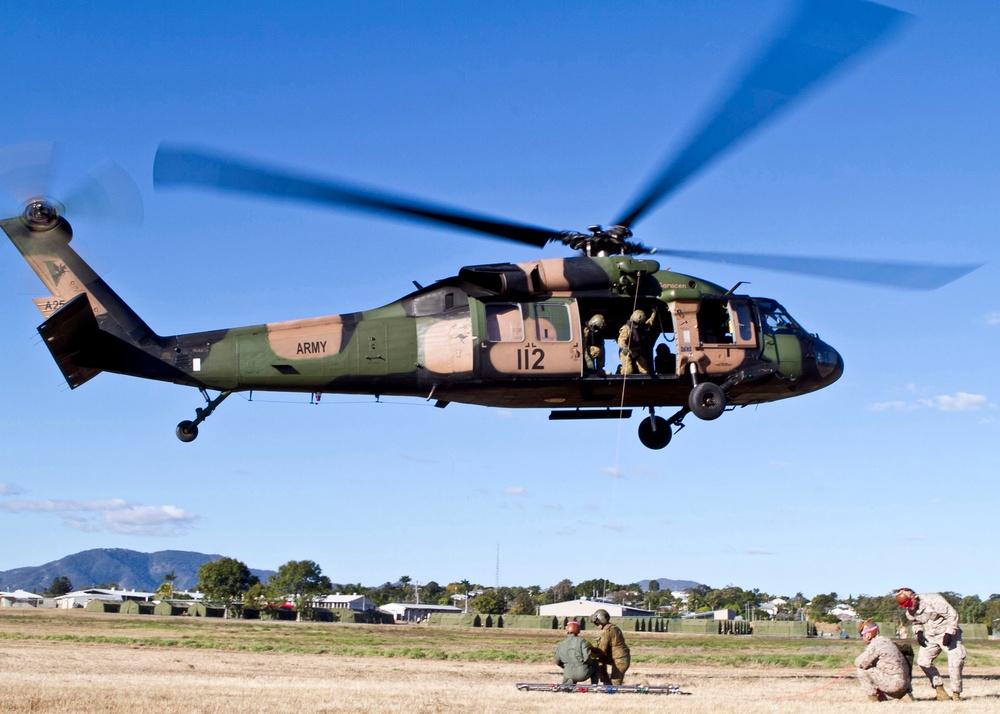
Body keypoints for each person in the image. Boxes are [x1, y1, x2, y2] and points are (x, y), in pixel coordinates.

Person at [896, 588, 966, 701]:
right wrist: (918, 632)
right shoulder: (910, 611)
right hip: (931, 636)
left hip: (948, 634)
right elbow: (916, 622)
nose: (908, 607)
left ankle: (956, 693)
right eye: (905, 606)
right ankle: (939, 690)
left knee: (956, 661)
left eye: (909, 603)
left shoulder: (934, 600)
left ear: (914, 597)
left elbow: (952, 615)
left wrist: (949, 632)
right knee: (923, 661)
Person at [854, 620, 914, 702]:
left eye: (862, 634)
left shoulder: (876, 644)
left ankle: (873, 699)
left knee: (861, 670)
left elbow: (861, 663)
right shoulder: (886, 640)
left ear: (868, 635)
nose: (862, 637)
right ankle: (903, 695)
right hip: (906, 684)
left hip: (894, 684)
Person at [590, 608, 630, 684]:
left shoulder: (607, 631)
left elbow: (602, 649)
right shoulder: (614, 628)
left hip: (620, 660)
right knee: (600, 663)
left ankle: (608, 685)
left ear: (601, 621)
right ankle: (607, 684)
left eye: (597, 623)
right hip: (619, 658)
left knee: (615, 684)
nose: (597, 625)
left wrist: (591, 650)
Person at [554, 620, 598, 684]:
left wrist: (566, 667)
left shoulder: (561, 644)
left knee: (569, 671)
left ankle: (568, 684)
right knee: (595, 663)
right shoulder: (582, 641)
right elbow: (587, 657)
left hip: (567, 673)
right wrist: (589, 664)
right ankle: (594, 686)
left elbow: (557, 661)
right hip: (582, 674)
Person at [618, 309, 657, 375]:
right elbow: (621, 340)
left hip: (637, 351)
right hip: (627, 351)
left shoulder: (642, 328)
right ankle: (620, 369)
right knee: (628, 371)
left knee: (645, 371)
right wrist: (624, 348)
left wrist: (654, 314)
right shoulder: (627, 328)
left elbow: (650, 322)